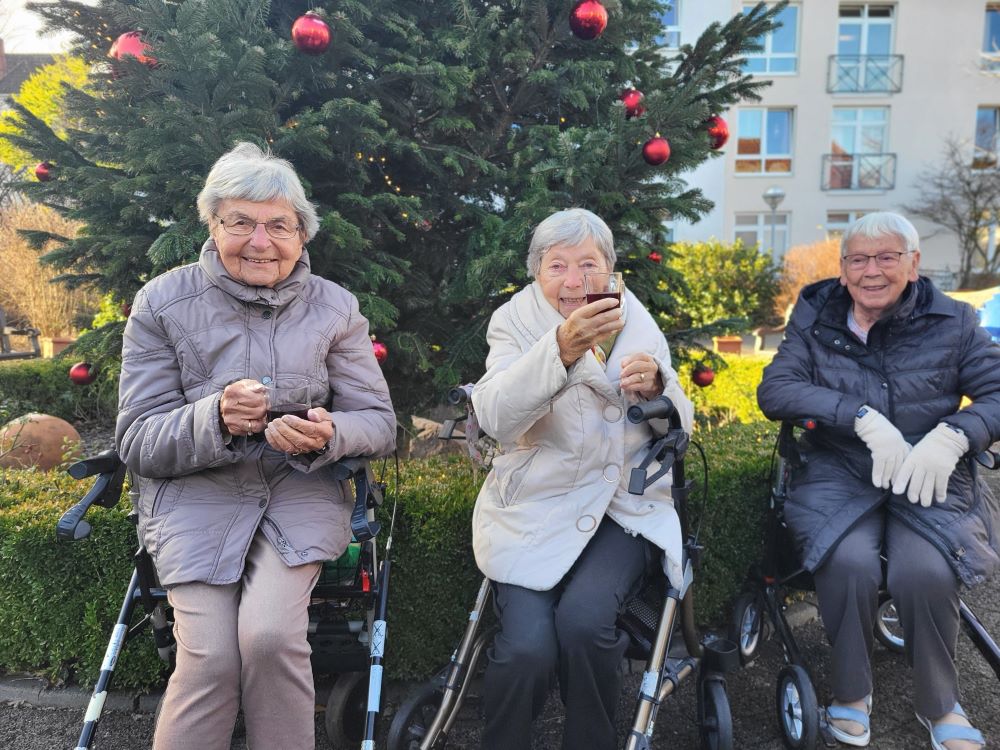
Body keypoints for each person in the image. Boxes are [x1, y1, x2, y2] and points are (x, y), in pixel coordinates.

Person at [115, 142, 396, 750]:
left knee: (270, 638)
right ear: (212, 225)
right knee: (211, 655)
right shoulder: (162, 303)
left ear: (302, 233)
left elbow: (377, 420)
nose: (260, 241)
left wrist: (331, 433)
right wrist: (213, 417)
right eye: (239, 222)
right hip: (195, 500)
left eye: (278, 225)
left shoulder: (335, 307)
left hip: (297, 493)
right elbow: (136, 438)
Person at [757, 212, 1000, 750]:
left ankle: (940, 704)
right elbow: (776, 390)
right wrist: (860, 416)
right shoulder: (816, 314)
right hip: (841, 468)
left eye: (887, 256)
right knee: (848, 562)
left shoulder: (954, 320)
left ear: (913, 264)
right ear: (842, 270)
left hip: (927, 469)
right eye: (859, 259)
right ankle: (851, 693)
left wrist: (956, 435)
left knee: (925, 570)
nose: (872, 270)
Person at [470, 208, 694, 750]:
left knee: (586, 625)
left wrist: (660, 389)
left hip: (622, 506)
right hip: (536, 505)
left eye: (589, 265)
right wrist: (561, 349)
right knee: (525, 649)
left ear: (611, 271)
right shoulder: (514, 322)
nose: (575, 282)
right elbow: (495, 415)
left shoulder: (636, 319)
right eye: (557, 267)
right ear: (536, 273)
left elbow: (679, 421)